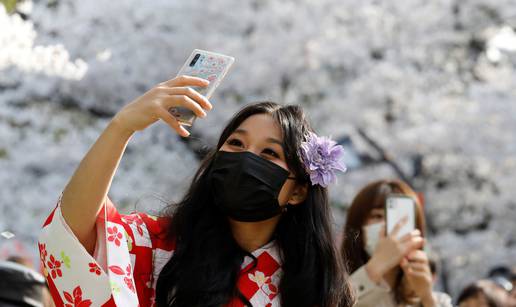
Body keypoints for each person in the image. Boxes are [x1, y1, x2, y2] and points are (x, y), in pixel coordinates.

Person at [38, 76, 355, 307]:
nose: (245, 160)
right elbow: (72, 235)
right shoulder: (162, 244)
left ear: (299, 191)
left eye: (269, 154)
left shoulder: (313, 284)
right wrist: (122, 127)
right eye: (235, 144)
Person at [340, 179, 452, 307]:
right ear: (357, 227)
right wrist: (374, 268)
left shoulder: (437, 301)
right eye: (377, 216)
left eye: (399, 218)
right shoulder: (331, 289)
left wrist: (427, 297)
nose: (389, 227)